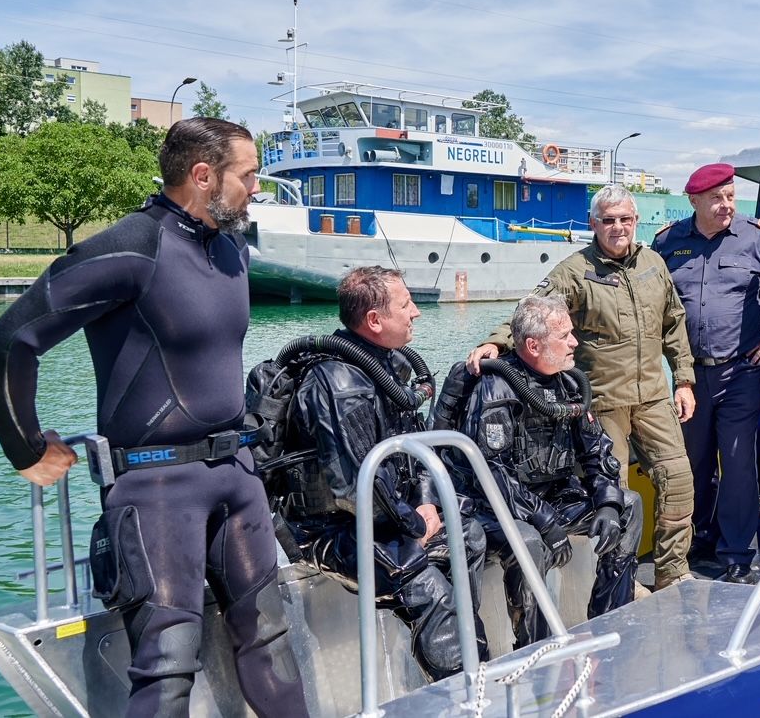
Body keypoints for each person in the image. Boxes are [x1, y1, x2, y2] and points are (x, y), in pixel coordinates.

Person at [0, 118, 309, 717]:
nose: (258, 187)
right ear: (202, 175)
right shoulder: (131, 246)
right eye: (249, 173)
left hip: (237, 476)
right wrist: (25, 448)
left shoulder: (231, 246)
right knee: (167, 666)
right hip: (157, 491)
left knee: (271, 644)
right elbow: (7, 341)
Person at [467, 184, 696, 590]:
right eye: (608, 220)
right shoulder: (575, 271)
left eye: (625, 219)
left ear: (636, 221)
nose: (618, 227)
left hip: (654, 398)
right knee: (615, 495)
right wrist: (496, 341)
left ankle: (672, 572)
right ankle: (622, 584)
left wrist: (684, 380)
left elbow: (674, 325)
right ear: (593, 224)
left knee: (677, 480)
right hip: (604, 402)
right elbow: (531, 311)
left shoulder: (654, 265)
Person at [277, 266, 488, 680]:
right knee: (425, 585)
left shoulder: (387, 367)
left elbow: (417, 449)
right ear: (375, 321)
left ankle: (469, 667)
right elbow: (354, 488)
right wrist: (414, 526)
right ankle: (468, 689)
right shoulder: (336, 381)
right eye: (406, 304)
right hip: (329, 530)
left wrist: (426, 505)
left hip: (383, 516)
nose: (417, 313)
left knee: (470, 536)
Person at [457, 295, 643, 648]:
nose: (575, 342)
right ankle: (535, 647)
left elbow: (597, 450)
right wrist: (546, 522)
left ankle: (611, 620)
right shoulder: (498, 387)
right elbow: (493, 475)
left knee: (628, 505)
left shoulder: (568, 383)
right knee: (529, 543)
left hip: (553, 498)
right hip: (500, 508)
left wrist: (607, 502)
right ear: (533, 344)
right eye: (565, 336)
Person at [651, 163, 760, 584]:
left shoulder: (757, 239)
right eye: (716, 199)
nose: (726, 205)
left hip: (741, 369)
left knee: (740, 463)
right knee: (692, 462)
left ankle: (738, 554)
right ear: (694, 201)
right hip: (687, 376)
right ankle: (696, 539)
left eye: (730, 197)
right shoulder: (667, 242)